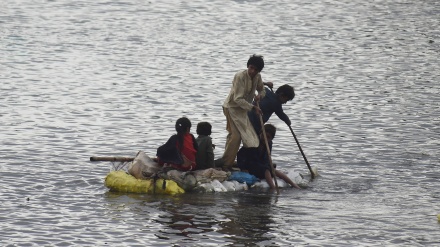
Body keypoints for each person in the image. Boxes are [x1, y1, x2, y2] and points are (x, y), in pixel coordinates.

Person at [219, 54, 270, 171]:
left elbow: (262, 89)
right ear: (248, 66)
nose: (252, 71)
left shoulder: (257, 77)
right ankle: (226, 165)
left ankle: (229, 161)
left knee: (244, 137)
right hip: (231, 108)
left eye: (255, 70)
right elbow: (237, 99)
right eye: (251, 68)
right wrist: (253, 108)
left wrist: (259, 96)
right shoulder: (240, 76)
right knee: (236, 136)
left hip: (242, 110)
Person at [236, 124, 301, 190]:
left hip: (260, 165)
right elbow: (240, 155)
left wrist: (268, 165)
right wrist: (243, 168)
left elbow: (266, 158)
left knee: (273, 170)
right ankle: (273, 188)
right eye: (264, 135)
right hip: (251, 165)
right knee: (266, 170)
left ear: (271, 139)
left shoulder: (269, 144)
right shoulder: (253, 141)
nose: (265, 139)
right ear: (261, 133)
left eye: (268, 137)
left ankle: (293, 184)